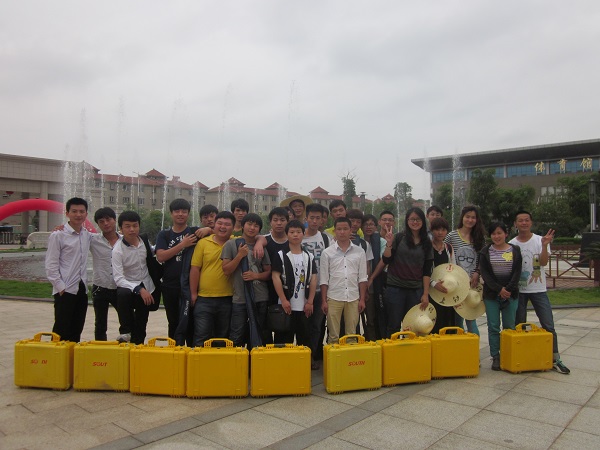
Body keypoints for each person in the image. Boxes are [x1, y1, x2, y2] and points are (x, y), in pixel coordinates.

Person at [510, 210, 570, 374]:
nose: (524, 223)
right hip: (519, 291)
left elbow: (543, 262)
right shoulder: (512, 244)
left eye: (526, 220)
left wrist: (544, 246)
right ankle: (520, 356)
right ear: (515, 224)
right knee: (519, 325)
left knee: (548, 324)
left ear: (531, 222)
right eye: (520, 220)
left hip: (538, 289)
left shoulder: (539, 240)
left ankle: (555, 358)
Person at [46, 197, 92, 342]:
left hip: (81, 289)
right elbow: (51, 265)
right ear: (67, 213)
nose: (78, 214)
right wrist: (60, 287)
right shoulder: (58, 235)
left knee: (76, 330)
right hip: (65, 289)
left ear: (86, 214)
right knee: (61, 330)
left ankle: (72, 356)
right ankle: (57, 356)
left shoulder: (87, 235)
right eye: (74, 211)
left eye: (82, 211)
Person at [222, 213, 271, 348]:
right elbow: (226, 270)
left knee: (258, 335)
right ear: (243, 226)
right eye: (249, 224)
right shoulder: (231, 244)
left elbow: (268, 273)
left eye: (256, 226)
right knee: (236, 335)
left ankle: (254, 360)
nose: (252, 228)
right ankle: (237, 361)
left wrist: (256, 276)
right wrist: (239, 256)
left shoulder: (260, 247)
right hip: (240, 298)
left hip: (260, 297)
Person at [382, 208, 433, 337]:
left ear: (423, 221)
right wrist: (389, 244)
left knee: (412, 326)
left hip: (415, 290)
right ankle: (392, 349)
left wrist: (425, 293)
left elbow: (427, 270)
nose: (415, 222)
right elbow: (387, 259)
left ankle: (409, 349)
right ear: (407, 221)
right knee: (393, 325)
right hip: (395, 288)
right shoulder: (399, 237)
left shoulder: (426, 242)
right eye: (412, 219)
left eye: (418, 219)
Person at [112, 210, 160, 344]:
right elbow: (118, 279)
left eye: (135, 225)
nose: (132, 229)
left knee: (141, 324)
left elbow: (153, 251)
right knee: (122, 293)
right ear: (121, 228)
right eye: (127, 226)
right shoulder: (118, 250)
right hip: (130, 288)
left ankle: (138, 347)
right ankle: (125, 330)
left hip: (147, 285)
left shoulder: (143, 240)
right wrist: (139, 289)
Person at [480, 222, 522, 371]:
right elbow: (486, 275)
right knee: (493, 326)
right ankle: (496, 356)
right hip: (492, 295)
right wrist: (499, 290)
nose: (496, 236)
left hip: (511, 294)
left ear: (506, 234)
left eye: (499, 233)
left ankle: (508, 354)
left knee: (509, 326)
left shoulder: (515, 250)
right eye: (493, 233)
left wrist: (508, 289)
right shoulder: (485, 252)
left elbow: (517, 272)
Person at [190, 211, 236, 347]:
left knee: (223, 338)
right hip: (204, 299)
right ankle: (199, 360)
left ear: (233, 227)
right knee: (201, 336)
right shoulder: (203, 243)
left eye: (227, 224)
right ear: (214, 225)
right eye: (219, 223)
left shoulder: (236, 242)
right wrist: (193, 293)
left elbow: (257, 237)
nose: (223, 227)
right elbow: (195, 269)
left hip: (228, 298)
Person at [155, 199, 199, 339]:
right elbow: (161, 256)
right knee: (173, 322)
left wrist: (207, 229)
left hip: (189, 286)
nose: (180, 214)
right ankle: (175, 350)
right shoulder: (164, 234)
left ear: (188, 214)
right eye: (177, 211)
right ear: (171, 213)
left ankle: (191, 351)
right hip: (170, 285)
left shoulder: (194, 232)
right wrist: (182, 245)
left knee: (191, 323)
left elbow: (214, 231)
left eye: (184, 211)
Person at [321, 218, 368, 344]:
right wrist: (324, 301)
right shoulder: (327, 253)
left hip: (353, 297)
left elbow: (362, 278)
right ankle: (333, 356)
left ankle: (349, 356)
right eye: (339, 229)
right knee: (333, 335)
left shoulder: (359, 252)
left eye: (345, 229)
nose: (342, 232)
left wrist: (362, 299)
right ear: (335, 231)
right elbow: (324, 280)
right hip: (333, 297)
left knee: (351, 335)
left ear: (350, 230)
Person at [271, 220, 317, 348]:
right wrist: (283, 300)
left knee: (305, 338)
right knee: (284, 340)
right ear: (287, 234)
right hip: (287, 304)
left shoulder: (309, 256)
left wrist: (310, 301)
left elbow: (313, 278)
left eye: (298, 232)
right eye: (292, 232)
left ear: (303, 234)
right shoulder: (281, 255)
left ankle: (306, 359)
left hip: (305, 305)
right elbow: (275, 277)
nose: (295, 235)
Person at [444, 206, 486, 335]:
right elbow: (445, 254)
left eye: (473, 217)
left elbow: (482, 258)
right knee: (458, 319)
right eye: (467, 217)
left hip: (473, 282)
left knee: (471, 318)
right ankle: (460, 345)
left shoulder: (479, 237)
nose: (470, 220)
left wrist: (477, 273)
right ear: (462, 217)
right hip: (457, 283)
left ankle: (474, 344)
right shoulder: (452, 236)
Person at [302, 203, 330, 368]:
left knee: (317, 325)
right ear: (306, 218)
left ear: (322, 220)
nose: (314, 221)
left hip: (321, 289)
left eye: (317, 218)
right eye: (311, 218)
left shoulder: (326, 238)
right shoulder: (298, 236)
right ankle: (302, 355)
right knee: (302, 325)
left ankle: (312, 355)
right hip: (302, 289)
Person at [89, 207, 121, 341]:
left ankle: (125, 347)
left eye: (108, 219)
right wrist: (61, 228)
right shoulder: (93, 240)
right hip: (100, 286)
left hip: (120, 287)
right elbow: (75, 234)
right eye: (101, 221)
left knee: (126, 320)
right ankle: (100, 349)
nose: (106, 223)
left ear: (115, 220)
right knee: (100, 323)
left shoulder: (125, 240)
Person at [428, 217, 457, 333]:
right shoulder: (427, 247)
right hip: (431, 290)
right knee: (434, 321)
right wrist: (433, 283)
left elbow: (454, 268)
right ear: (432, 230)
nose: (440, 233)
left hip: (447, 289)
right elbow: (422, 270)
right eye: (437, 229)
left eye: (443, 230)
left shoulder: (449, 248)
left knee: (448, 320)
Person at [362, 214, 386, 340]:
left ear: (376, 227)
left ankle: (374, 340)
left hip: (375, 285)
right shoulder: (357, 241)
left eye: (371, 224)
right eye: (366, 224)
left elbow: (383, 261)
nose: (368, 227)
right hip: (358, 285)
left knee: (373, 317)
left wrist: (371, 278)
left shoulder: (381, 242)